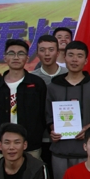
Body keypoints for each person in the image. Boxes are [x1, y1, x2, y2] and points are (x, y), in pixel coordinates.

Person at [46, 41, 90, 179]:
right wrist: (52, 129)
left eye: (79, 56)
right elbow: (48, 116)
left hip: (86, 152)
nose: (75, 59)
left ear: (86, 60)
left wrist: (88, 129)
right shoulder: (53, 87)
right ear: (64, 58)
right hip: (60, 150)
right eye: (71, 55)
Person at [0, 39, 47, 161]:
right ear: (5, 58)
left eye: (20, 53)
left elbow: (43, 113)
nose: (16, 57)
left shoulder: (37, 83)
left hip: (31, 144)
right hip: (4, 145)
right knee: (4, 173)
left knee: (31, 172)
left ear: (27, 58)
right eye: (11, 53)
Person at [30, 34, 65, 170]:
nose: (47, 54)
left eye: (51, 49)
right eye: (42, 50)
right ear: (37, 53)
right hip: (40, 138)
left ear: (58, 52)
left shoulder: (68, 74)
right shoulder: (31, 78)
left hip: (65, 136)